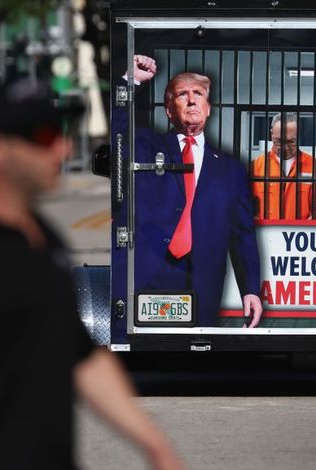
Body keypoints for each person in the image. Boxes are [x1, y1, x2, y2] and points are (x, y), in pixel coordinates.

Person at [0, 79, 185, 470]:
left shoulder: (45, 243)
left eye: (60, 134)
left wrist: (155, 446)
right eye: (42, 136)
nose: (62, 148)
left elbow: (83, 359)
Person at [112, 55, 262, 328]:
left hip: (203, 279)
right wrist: (130, 81)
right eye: (182, 94)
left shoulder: (231, 170)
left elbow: (242, 234)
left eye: (199, 94)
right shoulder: (146, 146)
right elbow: (119, 130)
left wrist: (250, 289)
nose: (192, 100)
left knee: (199, 359)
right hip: (149, 274)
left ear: (208, 108)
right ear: (169, 110)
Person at [250, 113, 316, 220]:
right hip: (264, 235)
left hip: (298, 235)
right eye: (278, 142)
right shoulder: (255, 167)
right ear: (271, 134)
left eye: (291, 142)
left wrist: (311, 223)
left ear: (299, 135)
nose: (284, 148)